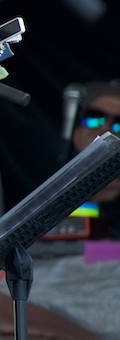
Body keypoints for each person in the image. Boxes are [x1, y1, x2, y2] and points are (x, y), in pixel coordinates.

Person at [68, 79, 120, 237]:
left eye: (119, 122)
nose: (105, 128)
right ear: (76, 134)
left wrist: (92, 252)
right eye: (94, 117)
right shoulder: (52, 197)